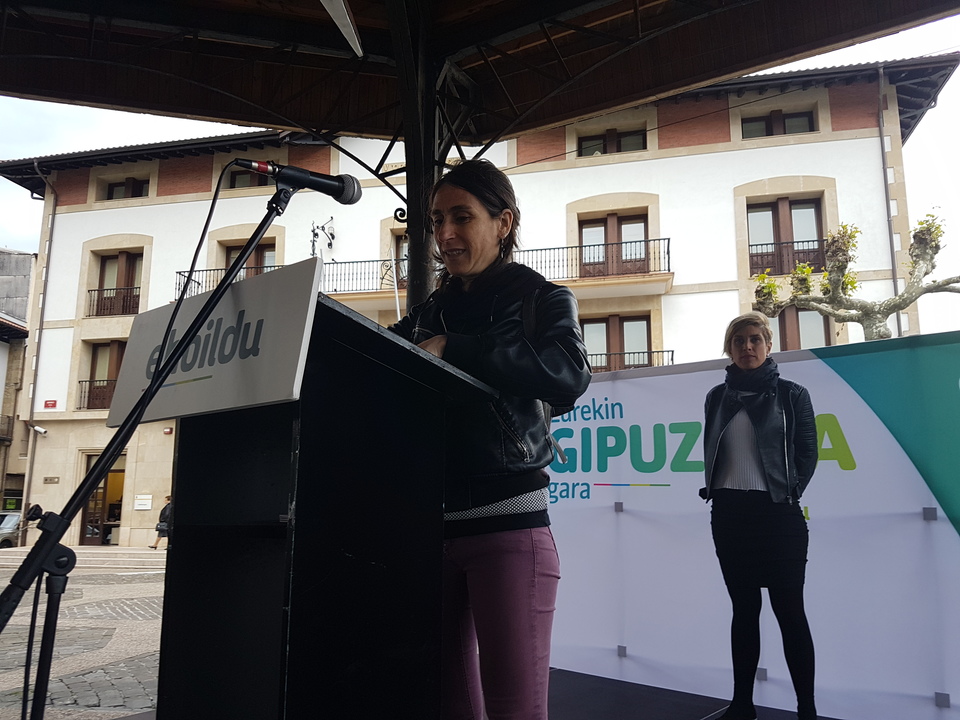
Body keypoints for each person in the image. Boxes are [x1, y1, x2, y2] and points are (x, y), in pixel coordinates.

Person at [389, 158, 591, 720]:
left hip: (508, 528)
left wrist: (458, 348)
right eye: (437, 220)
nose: (445, 234)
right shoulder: (427, 311)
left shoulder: (543, 298)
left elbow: (568, 373)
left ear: (503, 223)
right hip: (429, 529)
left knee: (515, 708)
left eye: (462, 217)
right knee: (447, 704)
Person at [700, 312, 819, 720]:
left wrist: (786, 494)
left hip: (778, 517)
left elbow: (807, 454)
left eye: (754, 339)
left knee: (790, 613)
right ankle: (742, 705)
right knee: (744, 611)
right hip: (729, 515)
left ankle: (806, 710)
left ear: (768, 345)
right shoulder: (716, 396)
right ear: (729, 348)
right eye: (738, 341)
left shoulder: (792, 394)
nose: (747, 347)